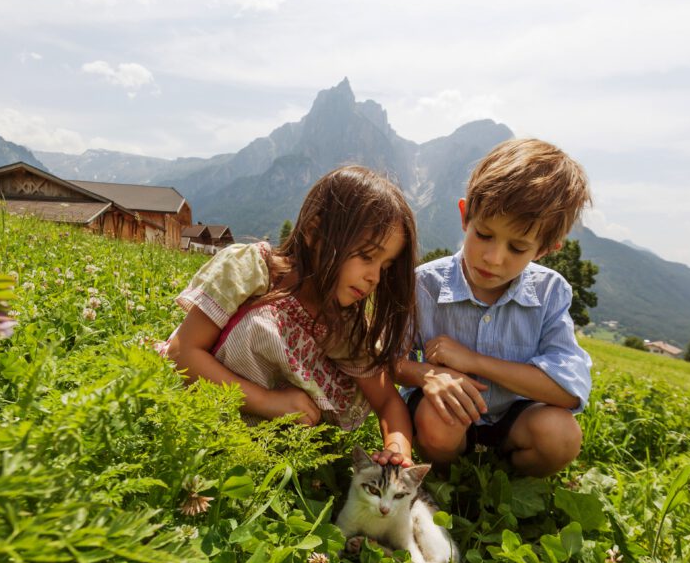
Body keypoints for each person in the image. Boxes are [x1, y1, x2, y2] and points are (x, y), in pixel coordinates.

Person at [160, 165, 418, 460]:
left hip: (268, 459)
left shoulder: (343, 326)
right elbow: (181, 354)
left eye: (384, 267)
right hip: (195, 424)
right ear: (313, 231)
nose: (374, 277)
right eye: (366, 256)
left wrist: (398, 453)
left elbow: (387, 402)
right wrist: (267, 401)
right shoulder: (253, 271)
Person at [375, 139, 592, 478]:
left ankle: (499, 483)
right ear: (465, 216)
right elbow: (389, 359)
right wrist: (429, 374)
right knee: (438, 420)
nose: (493, 258)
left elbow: (568, 390)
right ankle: (449, 480)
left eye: (518, 247)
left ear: (546, 250)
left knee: (561, 436)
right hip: (444, 414)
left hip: (516, 419)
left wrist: (474, 362)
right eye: (484, 235)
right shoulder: (424, 285)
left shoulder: (550, 292)